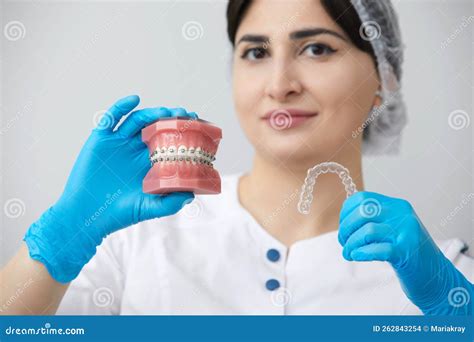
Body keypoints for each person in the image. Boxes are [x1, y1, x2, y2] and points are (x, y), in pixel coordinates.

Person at [1, 0, 472, 315]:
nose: (279, 83)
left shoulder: (441, 274)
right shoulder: (135, 242)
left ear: (384, 80)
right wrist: (62, 238)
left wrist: (454, 313)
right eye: (256, 52)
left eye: (316, 48)